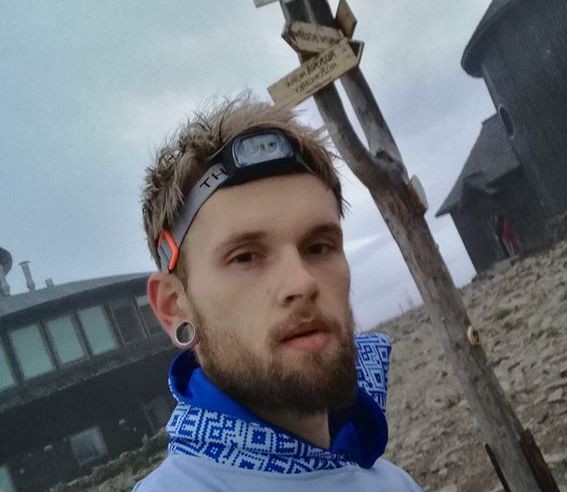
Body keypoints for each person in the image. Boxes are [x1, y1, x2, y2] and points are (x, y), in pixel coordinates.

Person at [133, 95, 421, 491]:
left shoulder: (393, 482)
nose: (302, 283)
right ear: (174, 307)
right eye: (245, 257)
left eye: (318, 247)